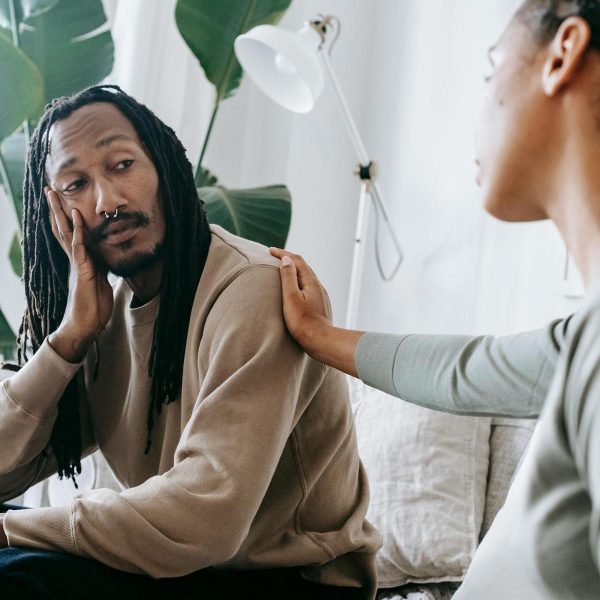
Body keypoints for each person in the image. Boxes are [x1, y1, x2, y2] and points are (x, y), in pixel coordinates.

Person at [270, 0, 600, 598]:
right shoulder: (584, 338)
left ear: (563, 54)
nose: (479, 104)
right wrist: (317, 333)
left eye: (492, 69)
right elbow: (465, 371)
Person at [0, 85, 381, 599]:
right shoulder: (103, 316)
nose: (108, 201)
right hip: (185, 570)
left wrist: (10, 531)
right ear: (56, 214)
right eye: (76, 184)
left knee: (14, 574)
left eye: (122, 165)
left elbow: (207, 517)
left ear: (163, 165)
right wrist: (68, 339)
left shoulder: (253, 289)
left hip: (293, 583)